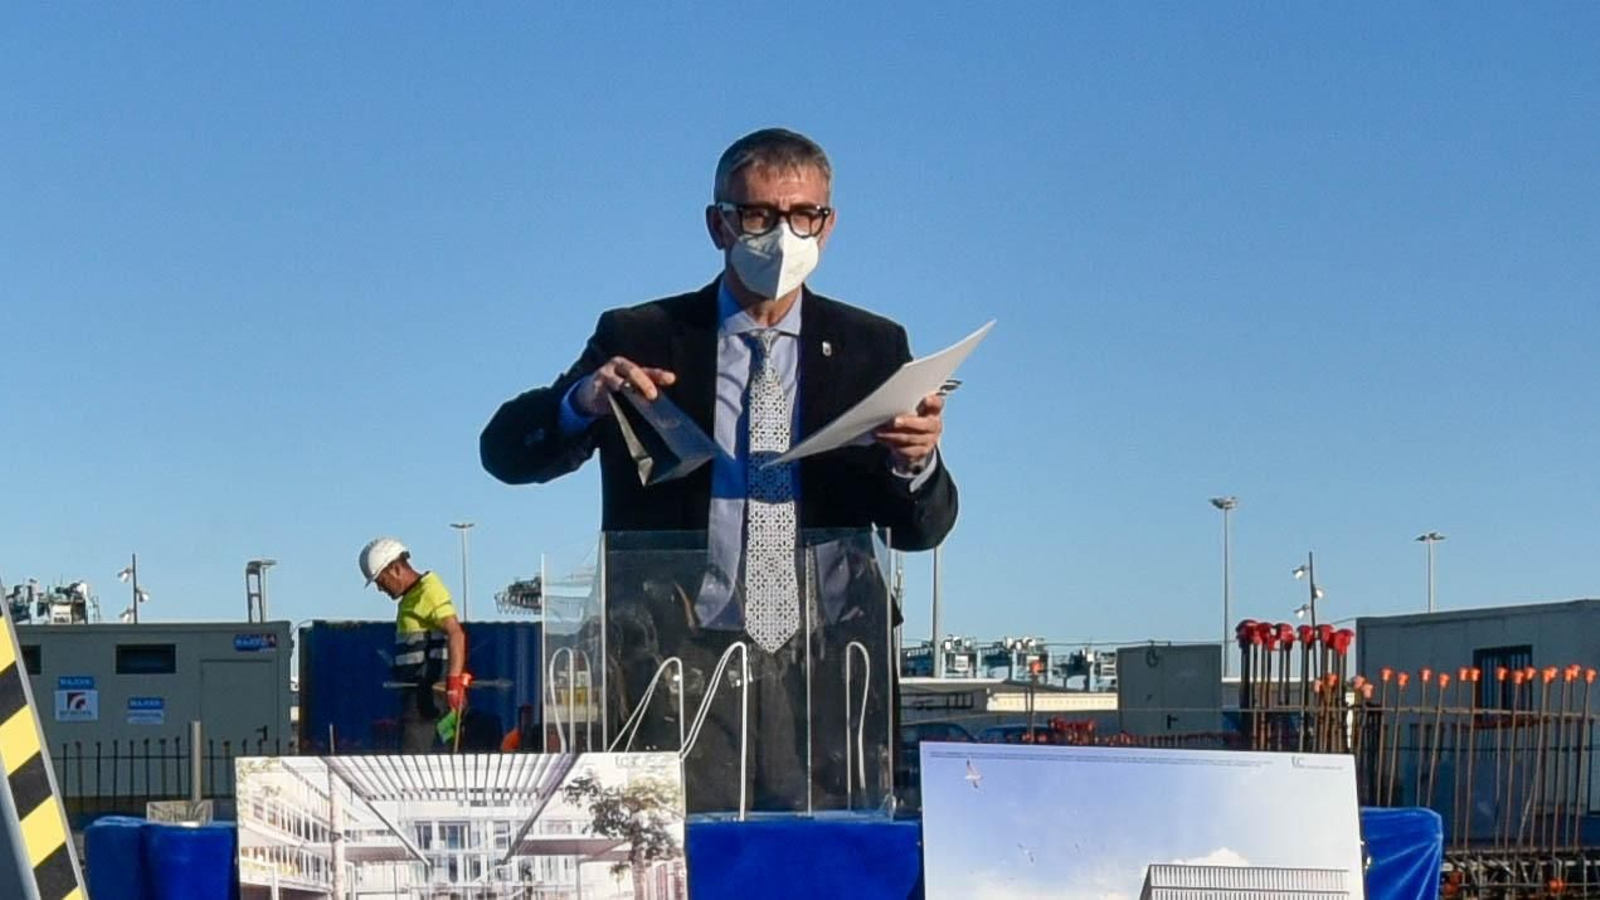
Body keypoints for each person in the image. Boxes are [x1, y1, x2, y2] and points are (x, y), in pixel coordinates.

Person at [480, 128, 959, 808]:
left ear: (828, 225)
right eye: (759, 214)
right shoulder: (642, 335)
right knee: (678, 844)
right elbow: (504, 452)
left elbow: (923, 529)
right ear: (718, 224)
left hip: (827, 660)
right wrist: (580, 403)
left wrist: (917, 462)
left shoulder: (872, 346)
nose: (784, 235)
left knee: (827, 852)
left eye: (804, 215)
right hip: (675, 658)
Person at [359, 537, 471, 752]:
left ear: (396, 569)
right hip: (420, 697)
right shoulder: (412, 597)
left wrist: (454, 683)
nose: (380, 589)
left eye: (381, 581)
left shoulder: (428, 592)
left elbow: (456, 633)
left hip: (430, 699)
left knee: (414, 762)